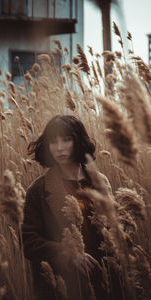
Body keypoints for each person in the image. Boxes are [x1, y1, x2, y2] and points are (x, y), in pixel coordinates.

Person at [22, 115, 113, 300]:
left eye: (66, 139)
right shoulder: (38, 190)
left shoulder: (100, 181)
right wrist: (68, 254)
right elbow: (29, 243)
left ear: (78, 141)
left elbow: (115, 229)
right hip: (64, 284)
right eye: (53, 142)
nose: (60, 148)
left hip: (105, 280)